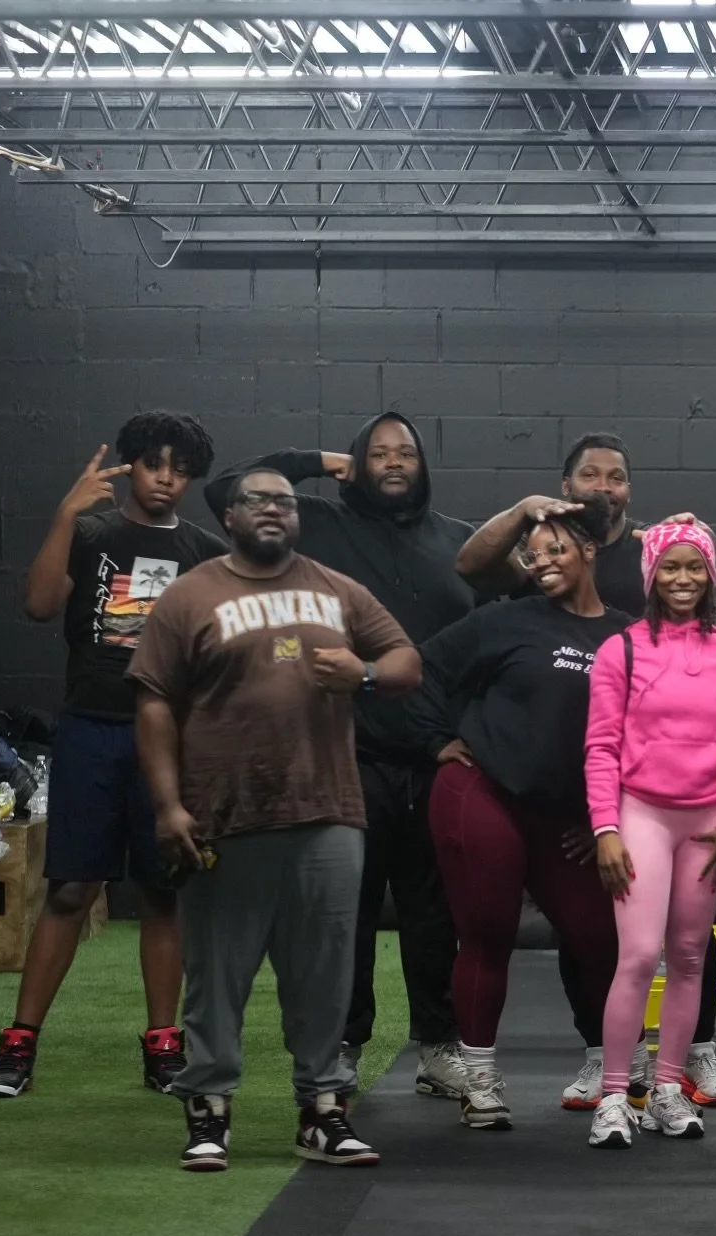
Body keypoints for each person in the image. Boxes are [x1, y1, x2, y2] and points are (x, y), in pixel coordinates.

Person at [128, 468, 421, 1171]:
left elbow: (406, 661)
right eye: (258, 500)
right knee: (217, 973)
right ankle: (208, 1112)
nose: (273, 510)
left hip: (328, 811)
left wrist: (366, 676)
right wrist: (167, 805)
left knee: (324, 972)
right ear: (229, 516)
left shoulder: (334, 588)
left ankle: (322, 1112)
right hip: (223, 814)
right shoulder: (190, 594)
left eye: (285, 502)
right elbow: (154, 702)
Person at [454, 433, 716, 1109]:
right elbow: (472, 566)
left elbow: (698, 577)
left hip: (672, 783)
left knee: (691, 928)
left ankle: (696, 1051)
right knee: (593, 929)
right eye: (589, 474)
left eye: (615, 476)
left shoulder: (649, 551)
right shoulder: (547, 549)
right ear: (566, 483)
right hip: (593, 787)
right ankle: (602, 1057)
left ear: (629, 490)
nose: (603, 486)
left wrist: (699, 536)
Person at [205, 414, 477, 1104]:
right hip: (344, 756)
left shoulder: (459, 543)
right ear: (355, 462)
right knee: (343, 914)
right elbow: (225, 490)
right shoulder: (319, 525)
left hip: (435, 758)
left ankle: (439, 1046)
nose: (392, 462)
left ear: (423, 464)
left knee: (432, 912)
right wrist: (314, 459)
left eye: (405, 452)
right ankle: (345, 1044)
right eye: (377, 452)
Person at [0, 415, 226, 1100]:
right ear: (129, 466)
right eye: (153, 464)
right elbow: (36, 605)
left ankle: (163, 1046)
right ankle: (19, 1043)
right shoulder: (90, 535)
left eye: (179, 468)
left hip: (167, 744)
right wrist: (65, 511)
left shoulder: (204, 552)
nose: (166, 477)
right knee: (67, 891)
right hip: (90, 729)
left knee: (161, 894)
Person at [411, 506, 629, 1131]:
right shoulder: (505, 619)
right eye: (532, 555)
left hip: (566, 816)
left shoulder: (626, 635)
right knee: (489, 932)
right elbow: (420, 670)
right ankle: (479, 1077)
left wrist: (602, 819)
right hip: (485, 791)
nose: (543, 563)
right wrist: (435, 742)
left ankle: (613, 1069)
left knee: (598, 936)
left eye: (557, 548)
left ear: (589, 549)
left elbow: (639, 740)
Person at [584, 522, 716, 1149]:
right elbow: (601, 748)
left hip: (709, 824)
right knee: (638, 956)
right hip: (642, 816)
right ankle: (614, 1096)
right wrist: (606, 829)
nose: (682, 579)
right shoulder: (622, 651)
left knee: (689, 956)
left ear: (710, 574)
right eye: (670, 568)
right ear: (651, 575)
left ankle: (666, 1088)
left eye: (694, 568)